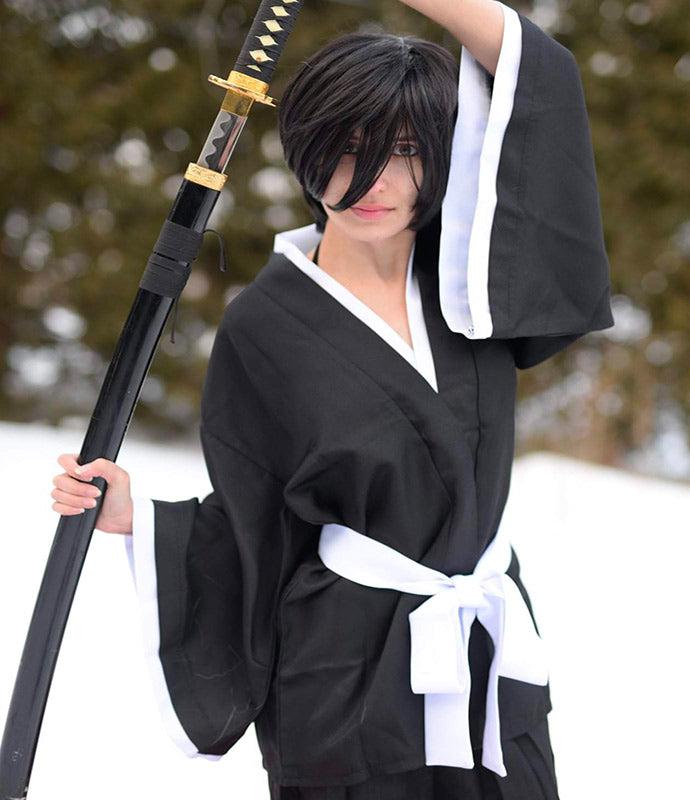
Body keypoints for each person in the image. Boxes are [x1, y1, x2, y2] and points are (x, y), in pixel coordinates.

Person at [50, 0, 614, 796]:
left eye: (406, 150)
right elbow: (256, 518)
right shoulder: (264, 326)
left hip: (485, 658)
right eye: (345, 148)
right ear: (306, 149)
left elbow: (538, 84)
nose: (371, 180)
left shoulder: (474, 285)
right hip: (346, 680)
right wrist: (137, 517)